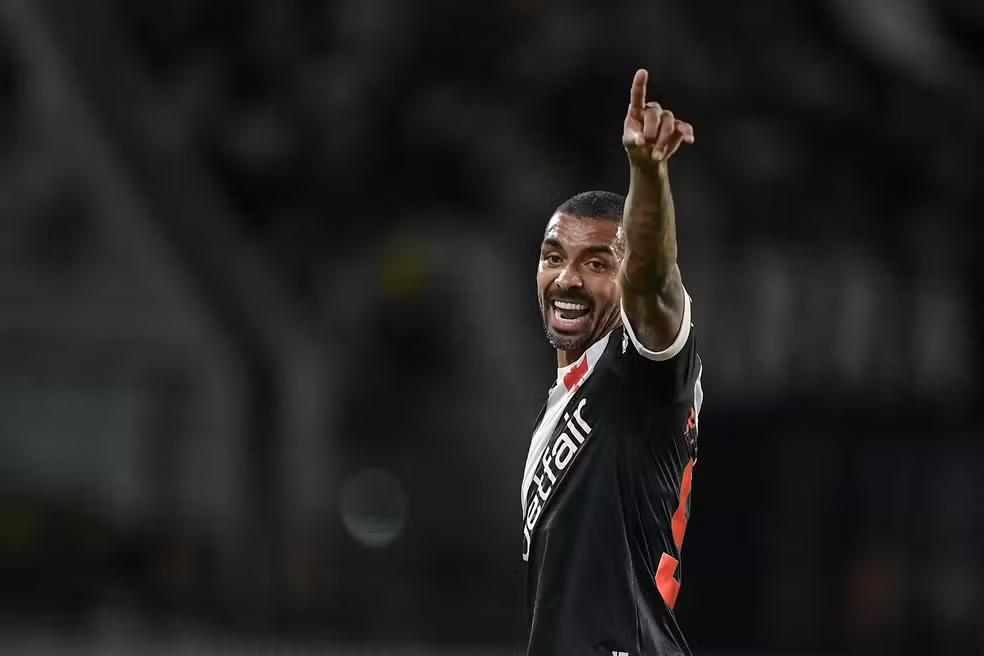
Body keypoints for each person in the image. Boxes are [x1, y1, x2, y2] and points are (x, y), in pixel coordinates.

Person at [522, 69, 703, 655]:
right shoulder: (563, 405)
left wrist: (647, 173)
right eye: (554, 257)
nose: (567, 279)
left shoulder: (639, 370)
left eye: (598, 263)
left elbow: (652, 277)